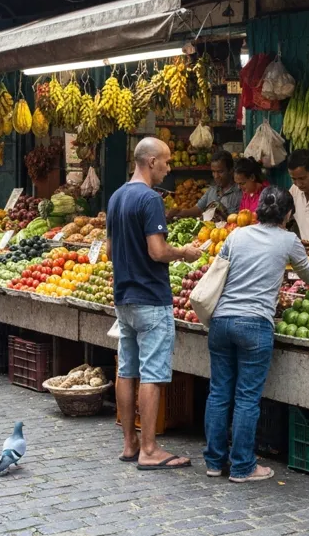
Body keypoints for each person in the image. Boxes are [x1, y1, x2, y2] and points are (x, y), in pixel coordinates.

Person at [204, 186, 309, 482]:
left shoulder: (236, 234)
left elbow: (221, 269)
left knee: (219, 393)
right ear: (288, 214)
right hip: (254, 324)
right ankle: (242, 467)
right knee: (246, 398)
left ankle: (214, 463)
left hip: (221, 320)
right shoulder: (288, 240)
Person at [108, 137, 202, 470]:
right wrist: (184, 253)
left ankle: (130, 443)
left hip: (124, 297)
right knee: (151, 374)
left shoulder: (117, 196)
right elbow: (157, 251)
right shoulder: (149, 199)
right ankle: (149, 449)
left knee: (126, 370)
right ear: (150, 162)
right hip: (150, 296)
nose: (169, 167)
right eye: (166, 161)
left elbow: (109, 250)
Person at [166, 151, 241, 220]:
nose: (216, 176)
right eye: (213, 172)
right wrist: (178, 212)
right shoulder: (212, 189)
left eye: (220, 172)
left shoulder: (239, 193)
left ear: (231, 171)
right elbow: (197, 210)